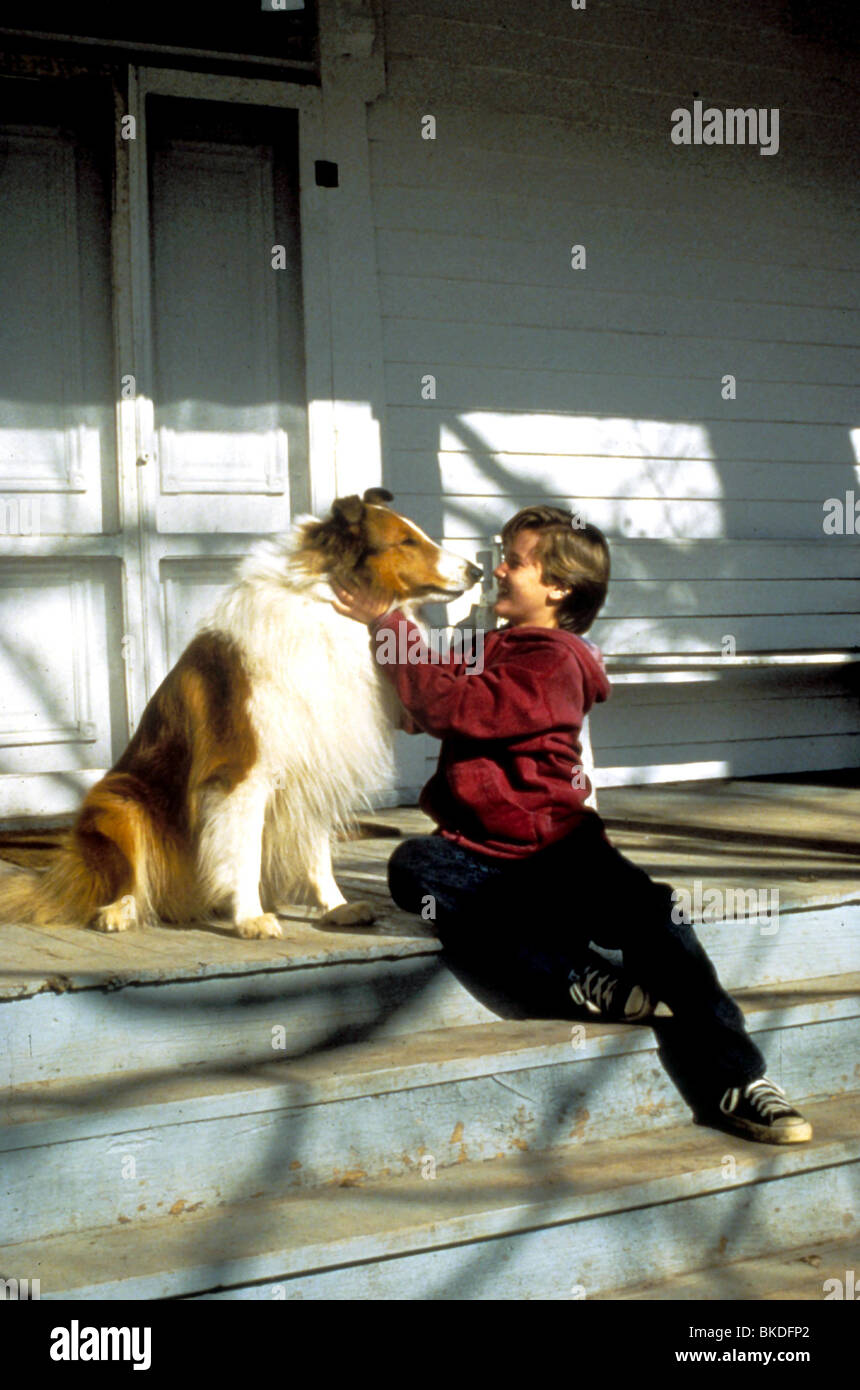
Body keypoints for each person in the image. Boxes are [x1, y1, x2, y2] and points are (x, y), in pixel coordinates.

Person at [330, 504, 812, 1145]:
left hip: (560, 851)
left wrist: (390, 623)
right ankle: (585, 983)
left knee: (658, 922)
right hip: (482, 855)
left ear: (557, 588)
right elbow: (419, 707)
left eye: (515, 561)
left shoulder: (557, 660)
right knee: (413, 868)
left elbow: (450, 705)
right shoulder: (489, 648)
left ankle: (738, 1077)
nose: (498, 568)